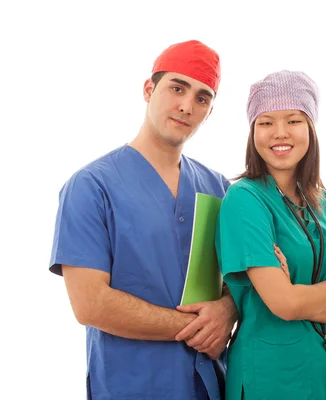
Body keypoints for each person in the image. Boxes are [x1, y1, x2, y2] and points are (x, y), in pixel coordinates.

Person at [49, 40, 238, 400]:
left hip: (210, 384)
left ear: (210, 111)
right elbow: (89, 304)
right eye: (177, 88)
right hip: (131, 385)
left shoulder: (220, 189)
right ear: (149, 89)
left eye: (202, 97)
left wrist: (226, 310)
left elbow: (238, 280)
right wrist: (196, 326)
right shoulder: (91, 187)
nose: (186, 106)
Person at [216, 70, 326, 400]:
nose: (279, 133)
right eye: (265, 122)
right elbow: (285, 304)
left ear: (310, 127)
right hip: (269, 377)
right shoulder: (245, 199)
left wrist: (301, 297)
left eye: (293, 120)